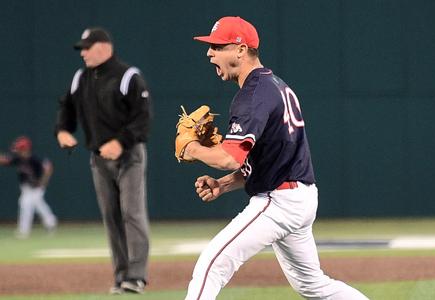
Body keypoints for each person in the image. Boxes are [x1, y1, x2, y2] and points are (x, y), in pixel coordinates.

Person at [183, 16, 369, 300]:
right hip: (300, 196)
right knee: (312, 285)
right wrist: (222, 185)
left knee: (212, 264)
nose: (210, 53)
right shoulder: (276, 85)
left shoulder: (253, 94)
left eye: (218, 47)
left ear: (240, 49)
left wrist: (190, 149)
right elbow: (266, 160)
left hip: (279, 201)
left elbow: (230, 158)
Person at [55, 27, 151, 295]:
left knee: (132, 213)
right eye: (82, 49)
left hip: (129, 156)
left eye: (87, 47)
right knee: (111, 217)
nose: (83, 53)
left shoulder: (128, 76)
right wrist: (62, 130)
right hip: (98, 159)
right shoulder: (80, 78)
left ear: (104, 47)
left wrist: (120, 142)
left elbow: (143, 119)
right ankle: (121, 276)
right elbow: (67, 108)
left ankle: (137, 276)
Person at [0, 136, 57, 239]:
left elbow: (48, 168)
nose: (18, 150)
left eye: (20, 148)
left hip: (36, 188)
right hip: (26, 188)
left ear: (25, 148)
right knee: (39, 206)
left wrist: (43, 182)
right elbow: (4, 160)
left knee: (25, 205)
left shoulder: (34, 160)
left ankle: (24, 231)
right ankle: (51, 223)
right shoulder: (18, 159)